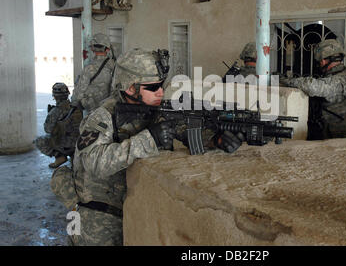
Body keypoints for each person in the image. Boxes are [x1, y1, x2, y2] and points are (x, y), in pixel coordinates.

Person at [62, 48, 242, 246]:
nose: (161, 91)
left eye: (162, 85)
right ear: (131, 88)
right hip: (97, 217)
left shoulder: (153, 109)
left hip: (132, 209)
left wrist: (215, 139)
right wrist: (149, 139)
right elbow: (94, 162)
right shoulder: (103, 117)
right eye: (153, 87)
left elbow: (184, 130)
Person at [280, 39, 346, 140]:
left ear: (323, 60)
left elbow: (312, 87)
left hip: (340, 139)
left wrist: (285, 80)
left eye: (320, 62)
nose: (320, 64)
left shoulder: (341, 80)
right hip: (343, 135)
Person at [34, 83, 82, 168]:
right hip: (79, 143)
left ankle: (59, 157)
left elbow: (48, 129)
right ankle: (73, 156)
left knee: (39, 140)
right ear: (68, 94)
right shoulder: (77, 108)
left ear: (54, 96)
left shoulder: (55, 111)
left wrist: (50, 115)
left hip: (64, 146)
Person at [71, 33, 116, 114]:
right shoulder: (115, 66)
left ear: (92, 48)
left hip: (93, 109)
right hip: (111, 108)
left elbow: (80, 90)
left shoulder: (89, 68)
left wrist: (74, 103)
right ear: (107, 49)